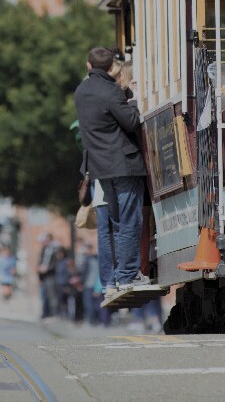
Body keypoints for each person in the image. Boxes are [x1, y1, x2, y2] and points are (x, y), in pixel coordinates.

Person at [75, 46, 147, 299]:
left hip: (100, 168)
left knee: (116, 223)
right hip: (124, 164)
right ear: (111, 67)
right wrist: (135, 99)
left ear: (88, 65)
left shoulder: (81, 92)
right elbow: (131, 121)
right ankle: (127, 276)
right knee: (130, 221)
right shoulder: (111, 92)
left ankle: (115, 279)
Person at [36, 233, 61, 318]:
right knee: (44, 295)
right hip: (43, 276)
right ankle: (45, 313)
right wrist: (39, 269)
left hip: (50, 275)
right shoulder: (44, 249)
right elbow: (41, 260)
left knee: (52, 295)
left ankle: (54, 313)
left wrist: (47, 268)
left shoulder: (54, 249)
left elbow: (56, 263)